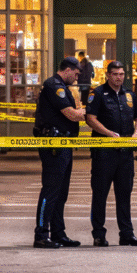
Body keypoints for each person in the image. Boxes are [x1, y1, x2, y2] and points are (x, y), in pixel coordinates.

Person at [85, 60, 137, 247]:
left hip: (125, 153)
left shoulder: (129, 95)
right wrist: (109, 134)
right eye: (115, 74)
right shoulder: (98, 94)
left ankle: (127, 234)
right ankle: (99, 234)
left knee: (124, 194)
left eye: (121, 74)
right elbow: (90, 118)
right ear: (108, 75)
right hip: (104, 152)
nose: (119, 77)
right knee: (100, 194)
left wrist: (136, 135)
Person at [33, 57, 87, 248]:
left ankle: (57, 233)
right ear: (68, 70)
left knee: (61, 192)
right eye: (76, 72)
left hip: (63, 143)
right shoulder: (54, 85)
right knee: (51, 190)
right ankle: (41, 234)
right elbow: (71, 113)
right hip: (54, 145)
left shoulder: (61, 87)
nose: (77, 76)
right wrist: (93, 112)